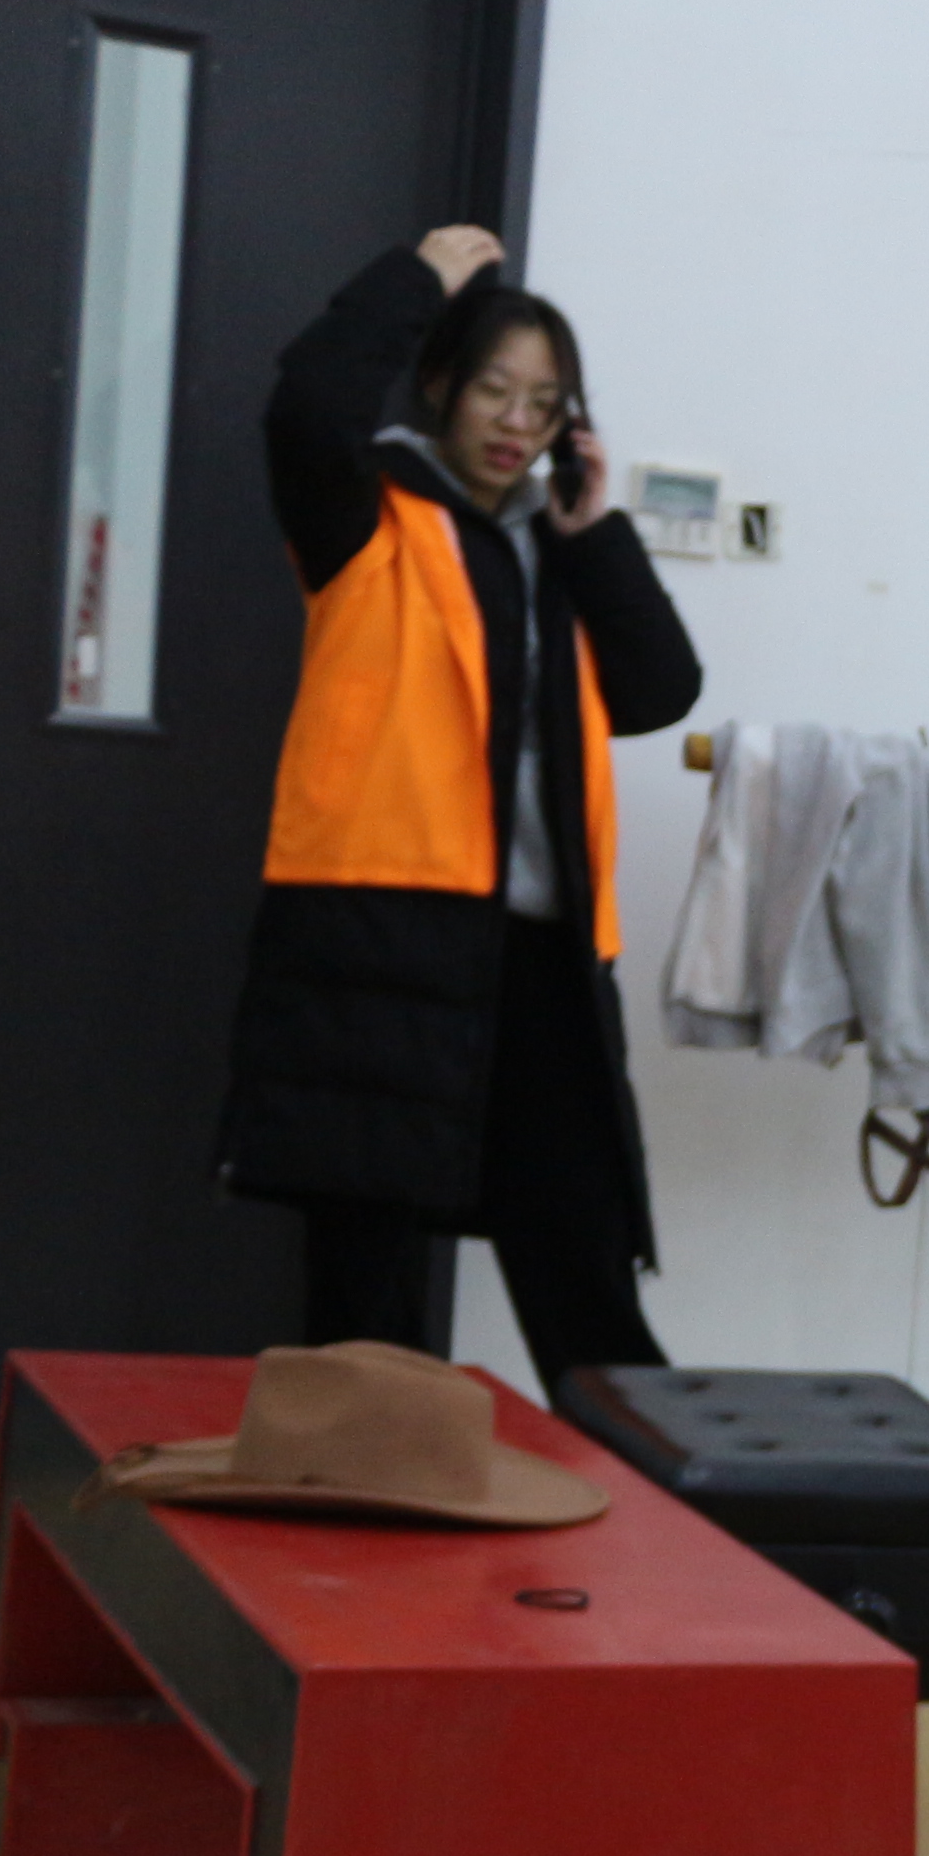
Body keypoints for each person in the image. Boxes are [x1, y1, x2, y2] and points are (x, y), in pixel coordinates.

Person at [223, 225, 700, 1392]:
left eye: (543, 404)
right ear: (440, 383)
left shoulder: (558, 549)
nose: (515, 423)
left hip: (544, 953)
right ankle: (355, 1488)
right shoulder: (366, 521)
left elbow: (659, 691)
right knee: (366, 1274)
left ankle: (643, 1483)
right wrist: (418, 280)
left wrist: (597, 538)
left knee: (581, 1246)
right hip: (383, 937)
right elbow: (307, 407)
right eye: (494, 389)